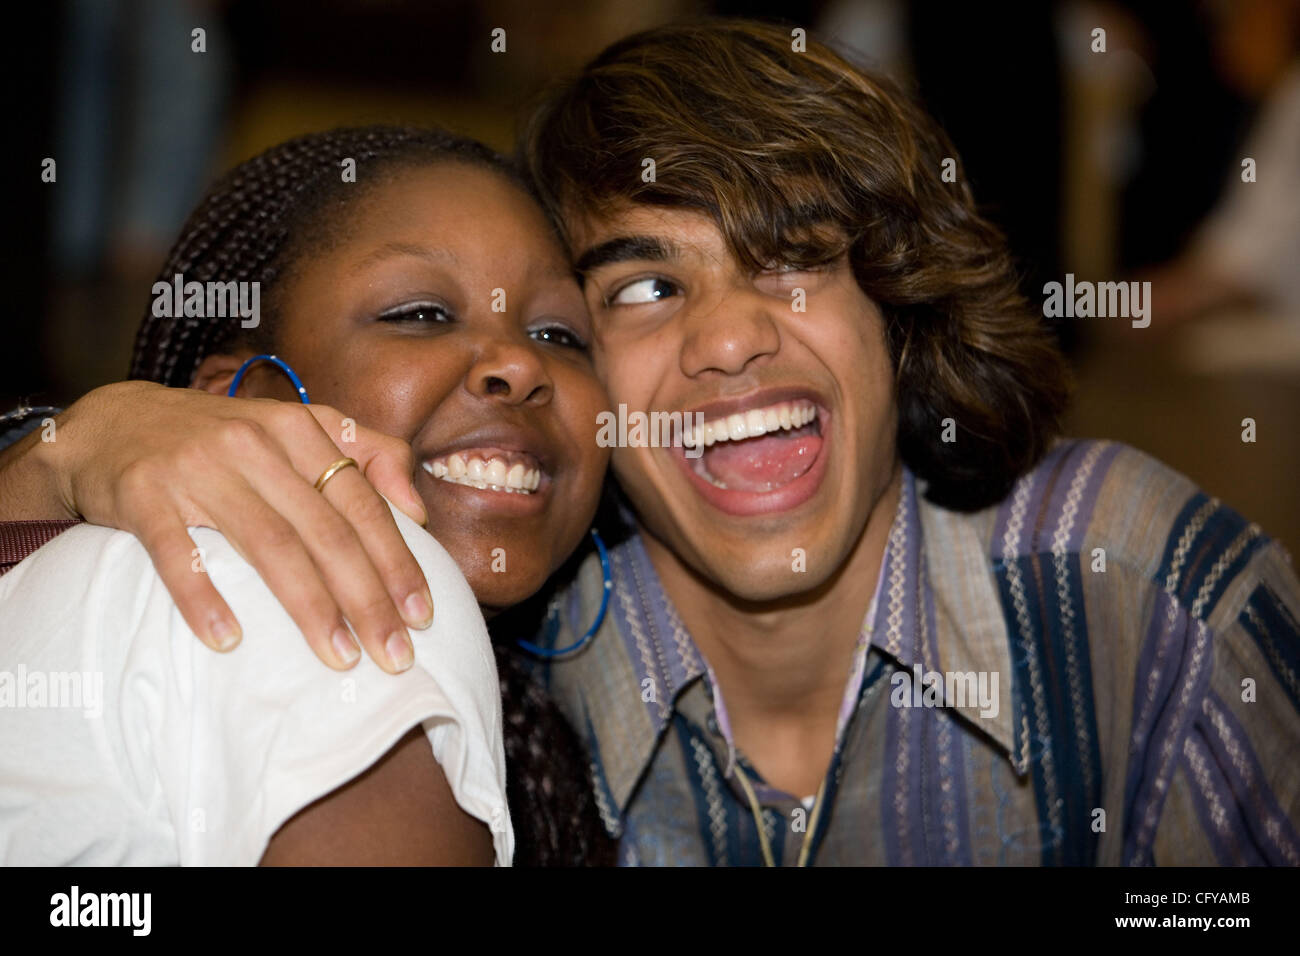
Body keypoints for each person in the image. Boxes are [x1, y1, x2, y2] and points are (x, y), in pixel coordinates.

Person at [5, 21, 1300, 866]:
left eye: (792, 264)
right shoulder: (497, 640)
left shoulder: (1146, 601)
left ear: (896, 319)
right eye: (637, 289)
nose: (731, 340)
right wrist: (62, 444)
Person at [0, 125, 615, 865]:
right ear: (241, 397)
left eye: (559, 332)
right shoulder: (325, 585)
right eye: (420, 314)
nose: (519, 364)